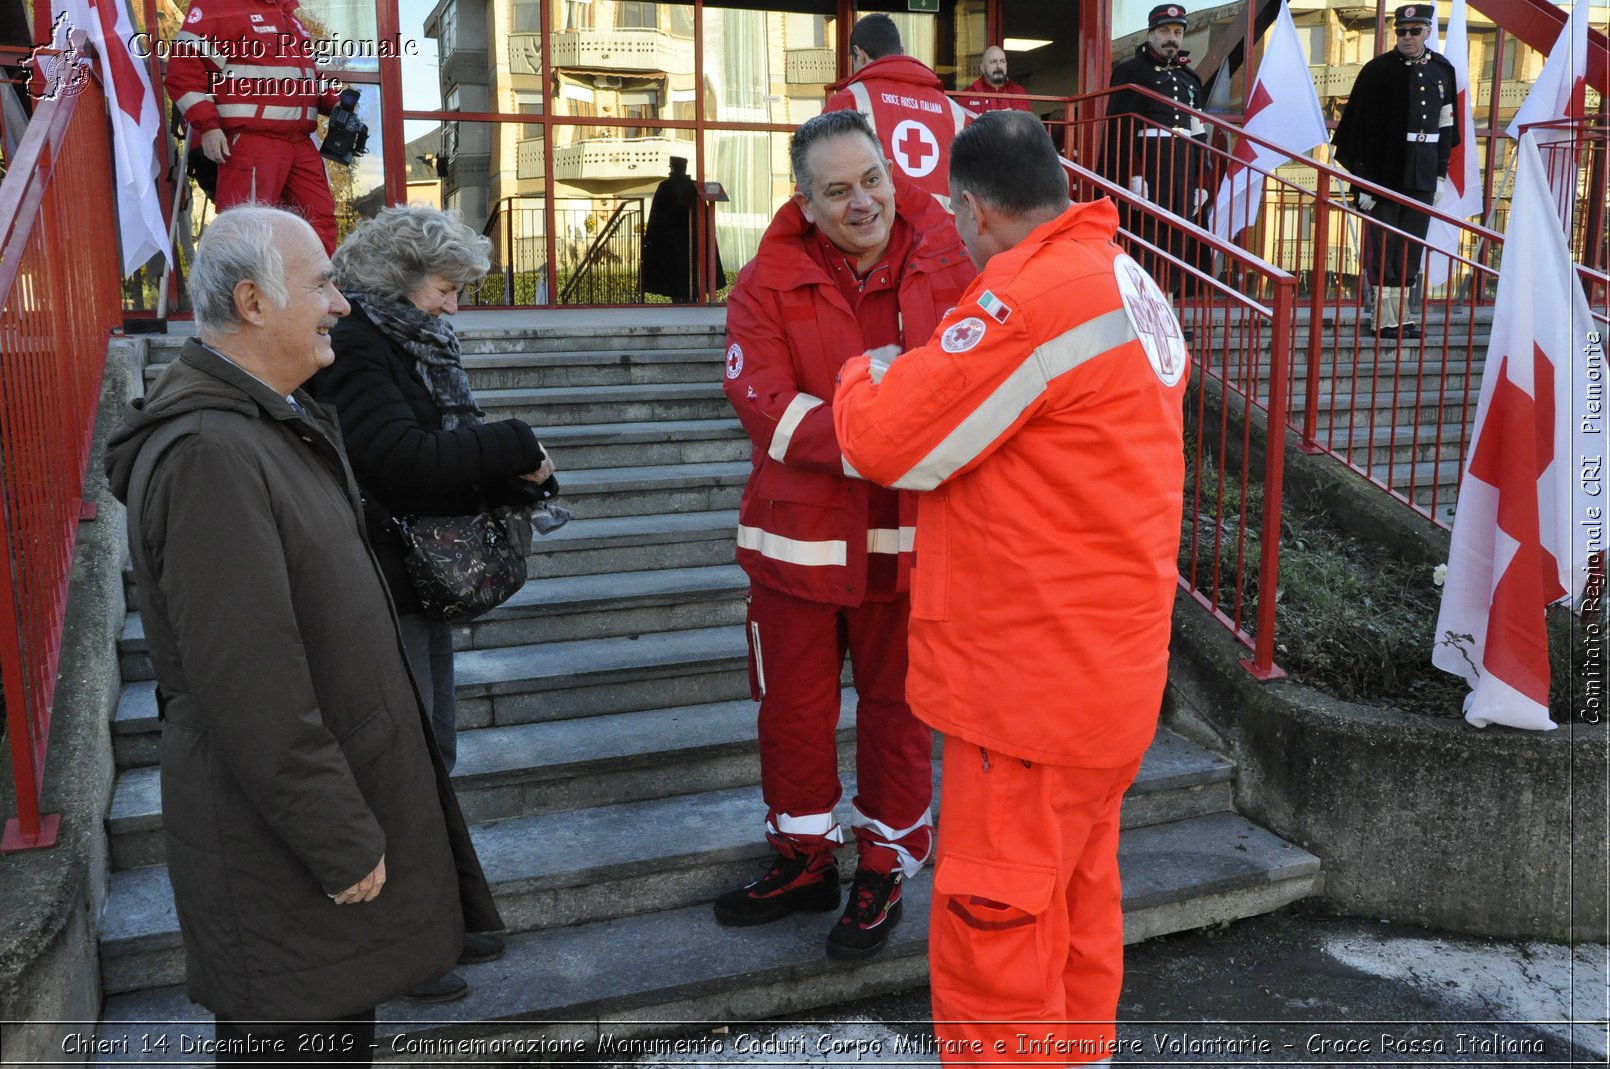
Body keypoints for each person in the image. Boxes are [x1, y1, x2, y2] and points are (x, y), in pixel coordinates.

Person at [104, 205, 503, 1062]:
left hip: (297, 853)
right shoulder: (212, 452)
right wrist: (341, 837)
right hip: (279, 859)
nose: (343, 304)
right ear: (252, 303)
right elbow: (251, 682)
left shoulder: (267, 421)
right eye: (323, 283)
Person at [833, 111, 1188, 1064]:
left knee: (998, 929)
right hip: (1107, 676)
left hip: (1027, 692)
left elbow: (885, 439)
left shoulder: (1031, 295)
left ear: (974, 209)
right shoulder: (1127, 275)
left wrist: (868, 372)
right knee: (1077, 908)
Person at [713, 110, 976, 961]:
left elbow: (973, 386)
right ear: (805, 200)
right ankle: (802, 857)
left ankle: (885, 865)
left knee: (899, 717)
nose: (862, 202)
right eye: (838, 190)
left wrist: (881, 425)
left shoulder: (953, 257)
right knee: (791, 713)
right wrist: (887, 434)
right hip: (797, 549)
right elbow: (764, 408)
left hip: (910, 547)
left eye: (872, 180)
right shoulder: (763, 280)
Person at [166, 0, 344, 253]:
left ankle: (316, 288)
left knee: (319, 223)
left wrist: (336, 104)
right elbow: (183, 72)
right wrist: (208, 126)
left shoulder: (291, 18)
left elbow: (304, 77)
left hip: (300, 143)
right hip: (252, 142)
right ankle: (242, 292)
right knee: (248, 231)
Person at [1332, 4, 1458, 340]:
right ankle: (1382, 319)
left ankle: (1402, 318)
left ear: (1428, 31)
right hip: (1383, 174)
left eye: (1414, 31)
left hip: (1422, 171)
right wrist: (1364, 186)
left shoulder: (1442, 71)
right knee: (1384, 246)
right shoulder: (1377, 71)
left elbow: (1446, 127)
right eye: (1401, 31)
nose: (1406, 37)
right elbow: (1358, 132)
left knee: (1411, 247)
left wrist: (1441, 173)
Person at [1105, 3, 1211, 298]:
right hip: (1150, 167)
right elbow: (1120, 129)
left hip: (1183, 167)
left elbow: (1198, 130)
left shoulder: (1190, 78)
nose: (1171, 38)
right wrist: (1134, 174)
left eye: (1177, 32)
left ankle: (1169, 313)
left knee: (1177, 240)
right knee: (1146, 238)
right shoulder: (1130, 72)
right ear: (1150, 34)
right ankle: (1143, 310)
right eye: (1164, 31)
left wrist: (1201, 181)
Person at [824, 13, 972, 207]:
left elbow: (815, 177)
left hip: (877, 233)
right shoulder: (956, 113)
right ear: (901, 52)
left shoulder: (848, 101)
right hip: (946, 234)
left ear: (859, 54)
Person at [642, 156, 724, 302]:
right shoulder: (693, 187)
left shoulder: (666, 187)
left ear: (672, 168)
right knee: (689, 275)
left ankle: (682, 300)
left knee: (675, 277)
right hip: (693, 241)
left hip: (671, 242)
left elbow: (656, 216)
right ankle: (692, 300)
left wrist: (651, 238)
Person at [958, 46, 1033, 114]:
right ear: (982, 68)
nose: (999, 66)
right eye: (993, 62)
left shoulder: (1019, 93)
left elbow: (1027, 126)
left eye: (1002, 61)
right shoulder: (967, 96)